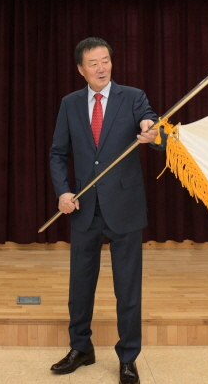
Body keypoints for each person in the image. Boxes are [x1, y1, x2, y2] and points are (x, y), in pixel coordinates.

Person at [48, 38, 162, 384]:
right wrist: (63, 191)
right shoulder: (70, 103)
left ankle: (128, 357)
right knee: (80, 286)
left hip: (125, 208)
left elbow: (153, 127)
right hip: (85, 207)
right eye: (93, 63)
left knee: (127, 289)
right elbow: (58, 154)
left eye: (105, 61)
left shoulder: (133, 97)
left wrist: (152, 132)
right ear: (80, 69)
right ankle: (81, 347)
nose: (101, 68)